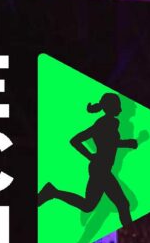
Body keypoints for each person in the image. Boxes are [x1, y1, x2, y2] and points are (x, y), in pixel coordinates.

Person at [36, 92, 143, 230]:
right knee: (122, 204)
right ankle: (132, 234)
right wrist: (127, 143)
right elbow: (101, 142)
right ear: (111, 107)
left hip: (100, 168)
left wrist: (92, 155)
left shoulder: (107, 123)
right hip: (101, 170)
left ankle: (53, 192)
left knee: (88, 205)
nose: (120, 109)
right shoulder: (105, 123)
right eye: (118, 105)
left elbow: (97, 142)